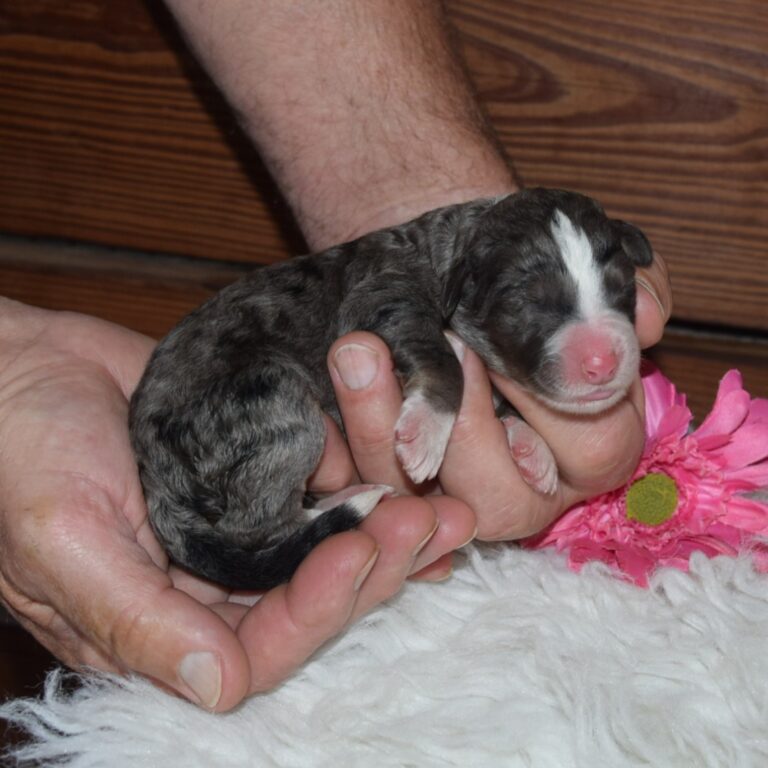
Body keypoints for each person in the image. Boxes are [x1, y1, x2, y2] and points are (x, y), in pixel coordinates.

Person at [0, 1, 671, 712]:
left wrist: (505, 420)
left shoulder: (454, 268)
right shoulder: (410, 279)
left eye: (615, 293)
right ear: (468, 283)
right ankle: (269, 530)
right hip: (224, 404)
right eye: (543, 303)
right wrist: (437, 393)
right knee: (295, 414)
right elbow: (390, 319)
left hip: (221, 419)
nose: (603, 353)